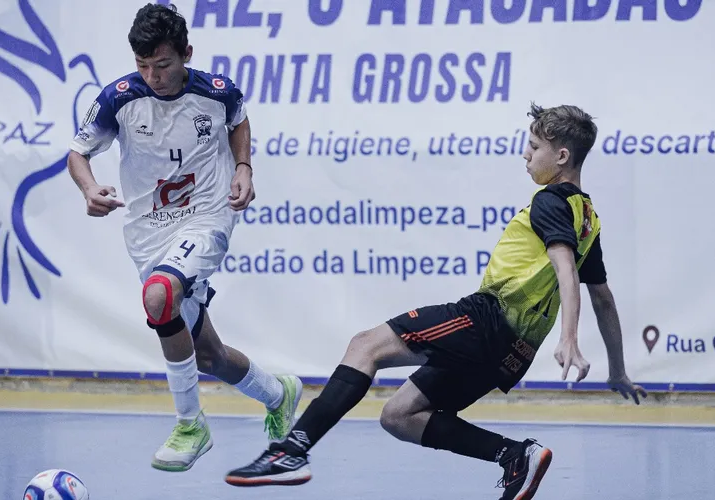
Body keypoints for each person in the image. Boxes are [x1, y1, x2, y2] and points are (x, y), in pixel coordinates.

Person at [224, 104, 647, 499]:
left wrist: (569, 339)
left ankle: (293, 450)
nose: (525, 155)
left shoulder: (551, 202)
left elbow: (565, 272)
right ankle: (515, 456)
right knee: (399, 416)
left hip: (486, 319)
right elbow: (603, 299)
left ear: (561, 156)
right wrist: (618, 370)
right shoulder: (587, 217)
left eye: (534, 147)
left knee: (364, 345)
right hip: (514, 353)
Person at [66, 3, 302, 472]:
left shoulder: (215, 91)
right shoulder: (118, 98)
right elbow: (77, 153)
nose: (152, 76)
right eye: (143, 65)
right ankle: (279, 394)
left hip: (207, 215)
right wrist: (89, 189)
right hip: (149, 234)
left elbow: (238, 118)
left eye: (163, 65)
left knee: (159, 296)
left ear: (186, 54)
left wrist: (243, 167)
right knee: (209, 355)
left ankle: (190, 425)